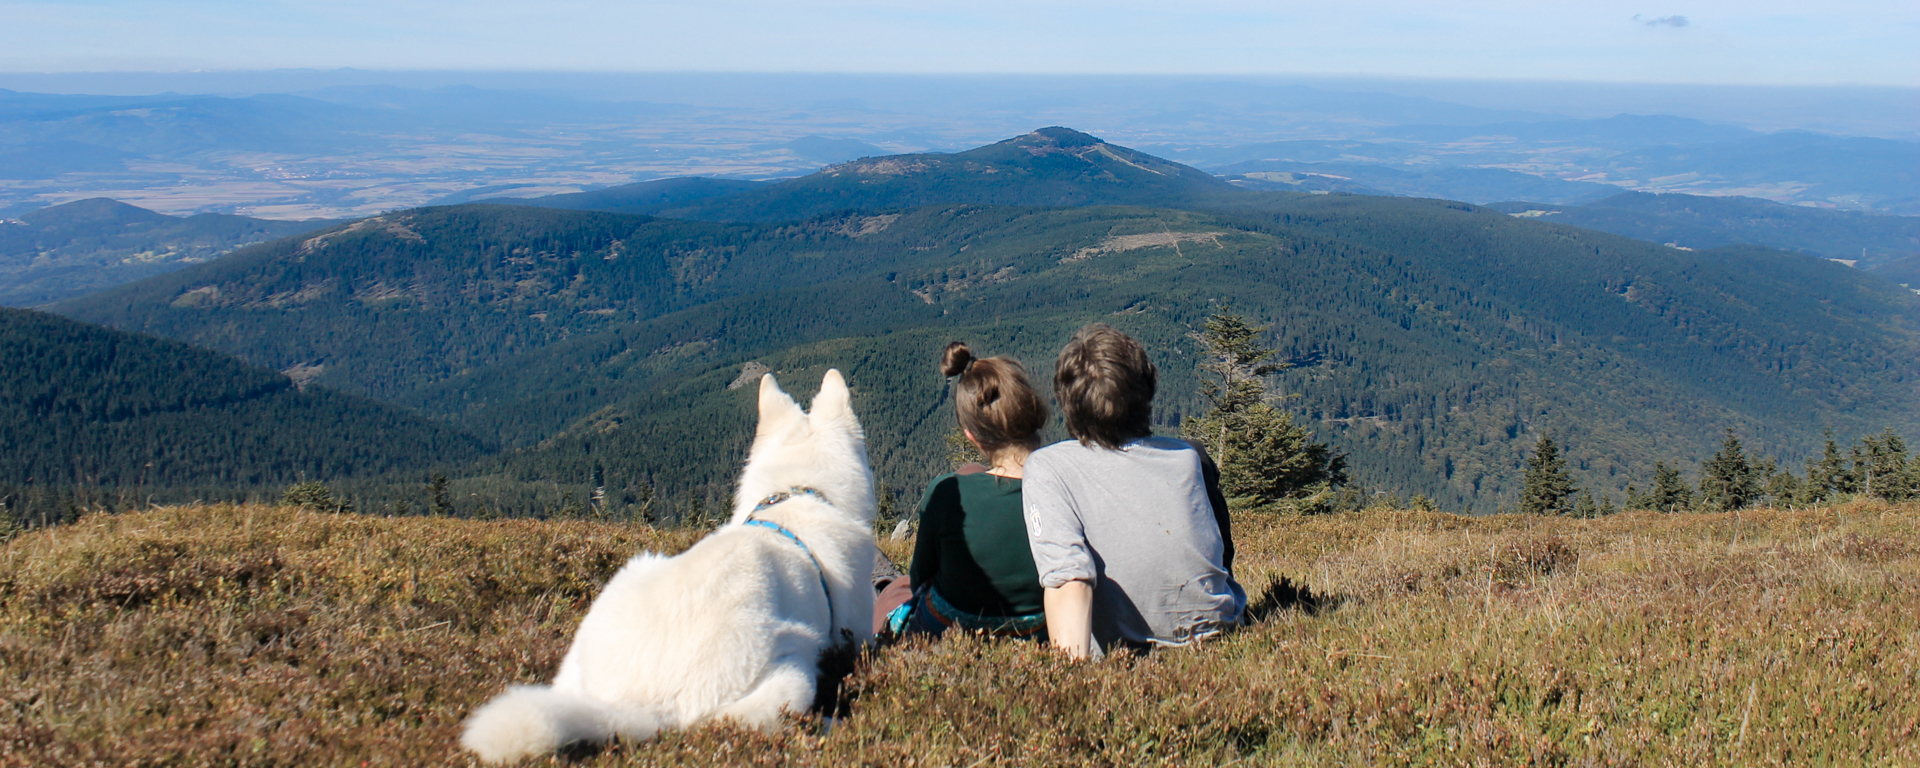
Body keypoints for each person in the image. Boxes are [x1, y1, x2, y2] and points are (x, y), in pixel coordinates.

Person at [1023, 324, 1245, 658]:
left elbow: (1069, 579)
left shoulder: (1049, 467)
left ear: (1068, 403)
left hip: (1121, 658)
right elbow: (1221, 556)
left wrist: (1070, 686)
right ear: (1146, 390)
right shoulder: (1189, 457)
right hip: (1222, 640)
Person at [883, 342, 1052, 640]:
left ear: (972, 437)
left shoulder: (948, 494)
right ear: (1032, 411)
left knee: (892, 594)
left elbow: (920, 578)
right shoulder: (1062, 492)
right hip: (1040, 634)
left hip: (946, 632)